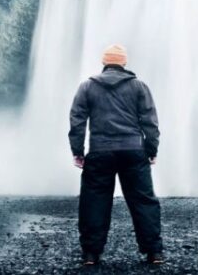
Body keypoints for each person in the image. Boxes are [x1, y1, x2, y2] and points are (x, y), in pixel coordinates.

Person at [68, 43, 164, 266]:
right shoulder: (139, 87)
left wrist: (78, 151)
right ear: (124, 63)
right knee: (143, 201)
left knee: (94, 201)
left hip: (100, 151)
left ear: (104, 62)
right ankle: (154, 252)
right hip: (133, 150)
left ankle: (91, 254)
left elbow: (77, 121)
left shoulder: (87, 87)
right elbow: (150, 122)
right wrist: (151, 149)